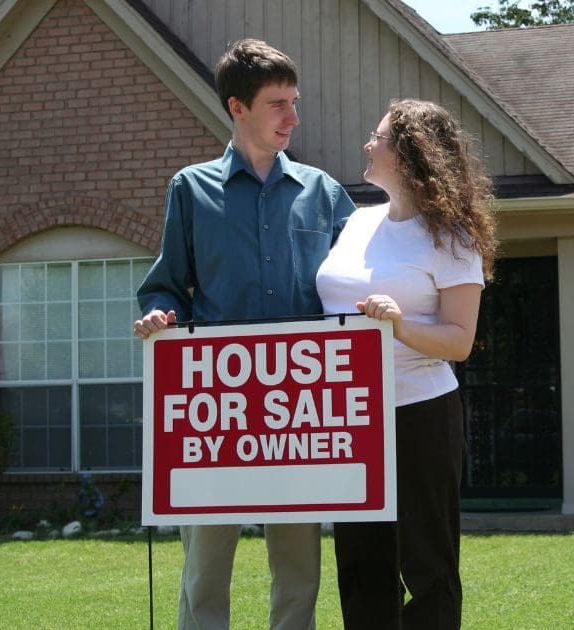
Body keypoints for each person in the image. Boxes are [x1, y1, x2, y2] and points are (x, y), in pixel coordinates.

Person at [133, 39, 355, 630]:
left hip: (297, 412)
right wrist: (159, 316)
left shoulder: (324, 193)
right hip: (216, 413)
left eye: (295, 101)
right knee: (204, 575)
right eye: (279, 104)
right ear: (238, 107)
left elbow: (357, 285)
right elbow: (164, 286)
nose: (293, 117)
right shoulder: (190, 190)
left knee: (298, 571)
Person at [315, 98, 498, 629]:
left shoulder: (452, 235)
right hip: (350, 419)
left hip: (420, 415)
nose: (367, 146)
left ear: (409, 154)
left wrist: (399, 325)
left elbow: (460, 341)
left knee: (427, 562)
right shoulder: (356, 223)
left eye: (377, 138)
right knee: (360, 561)